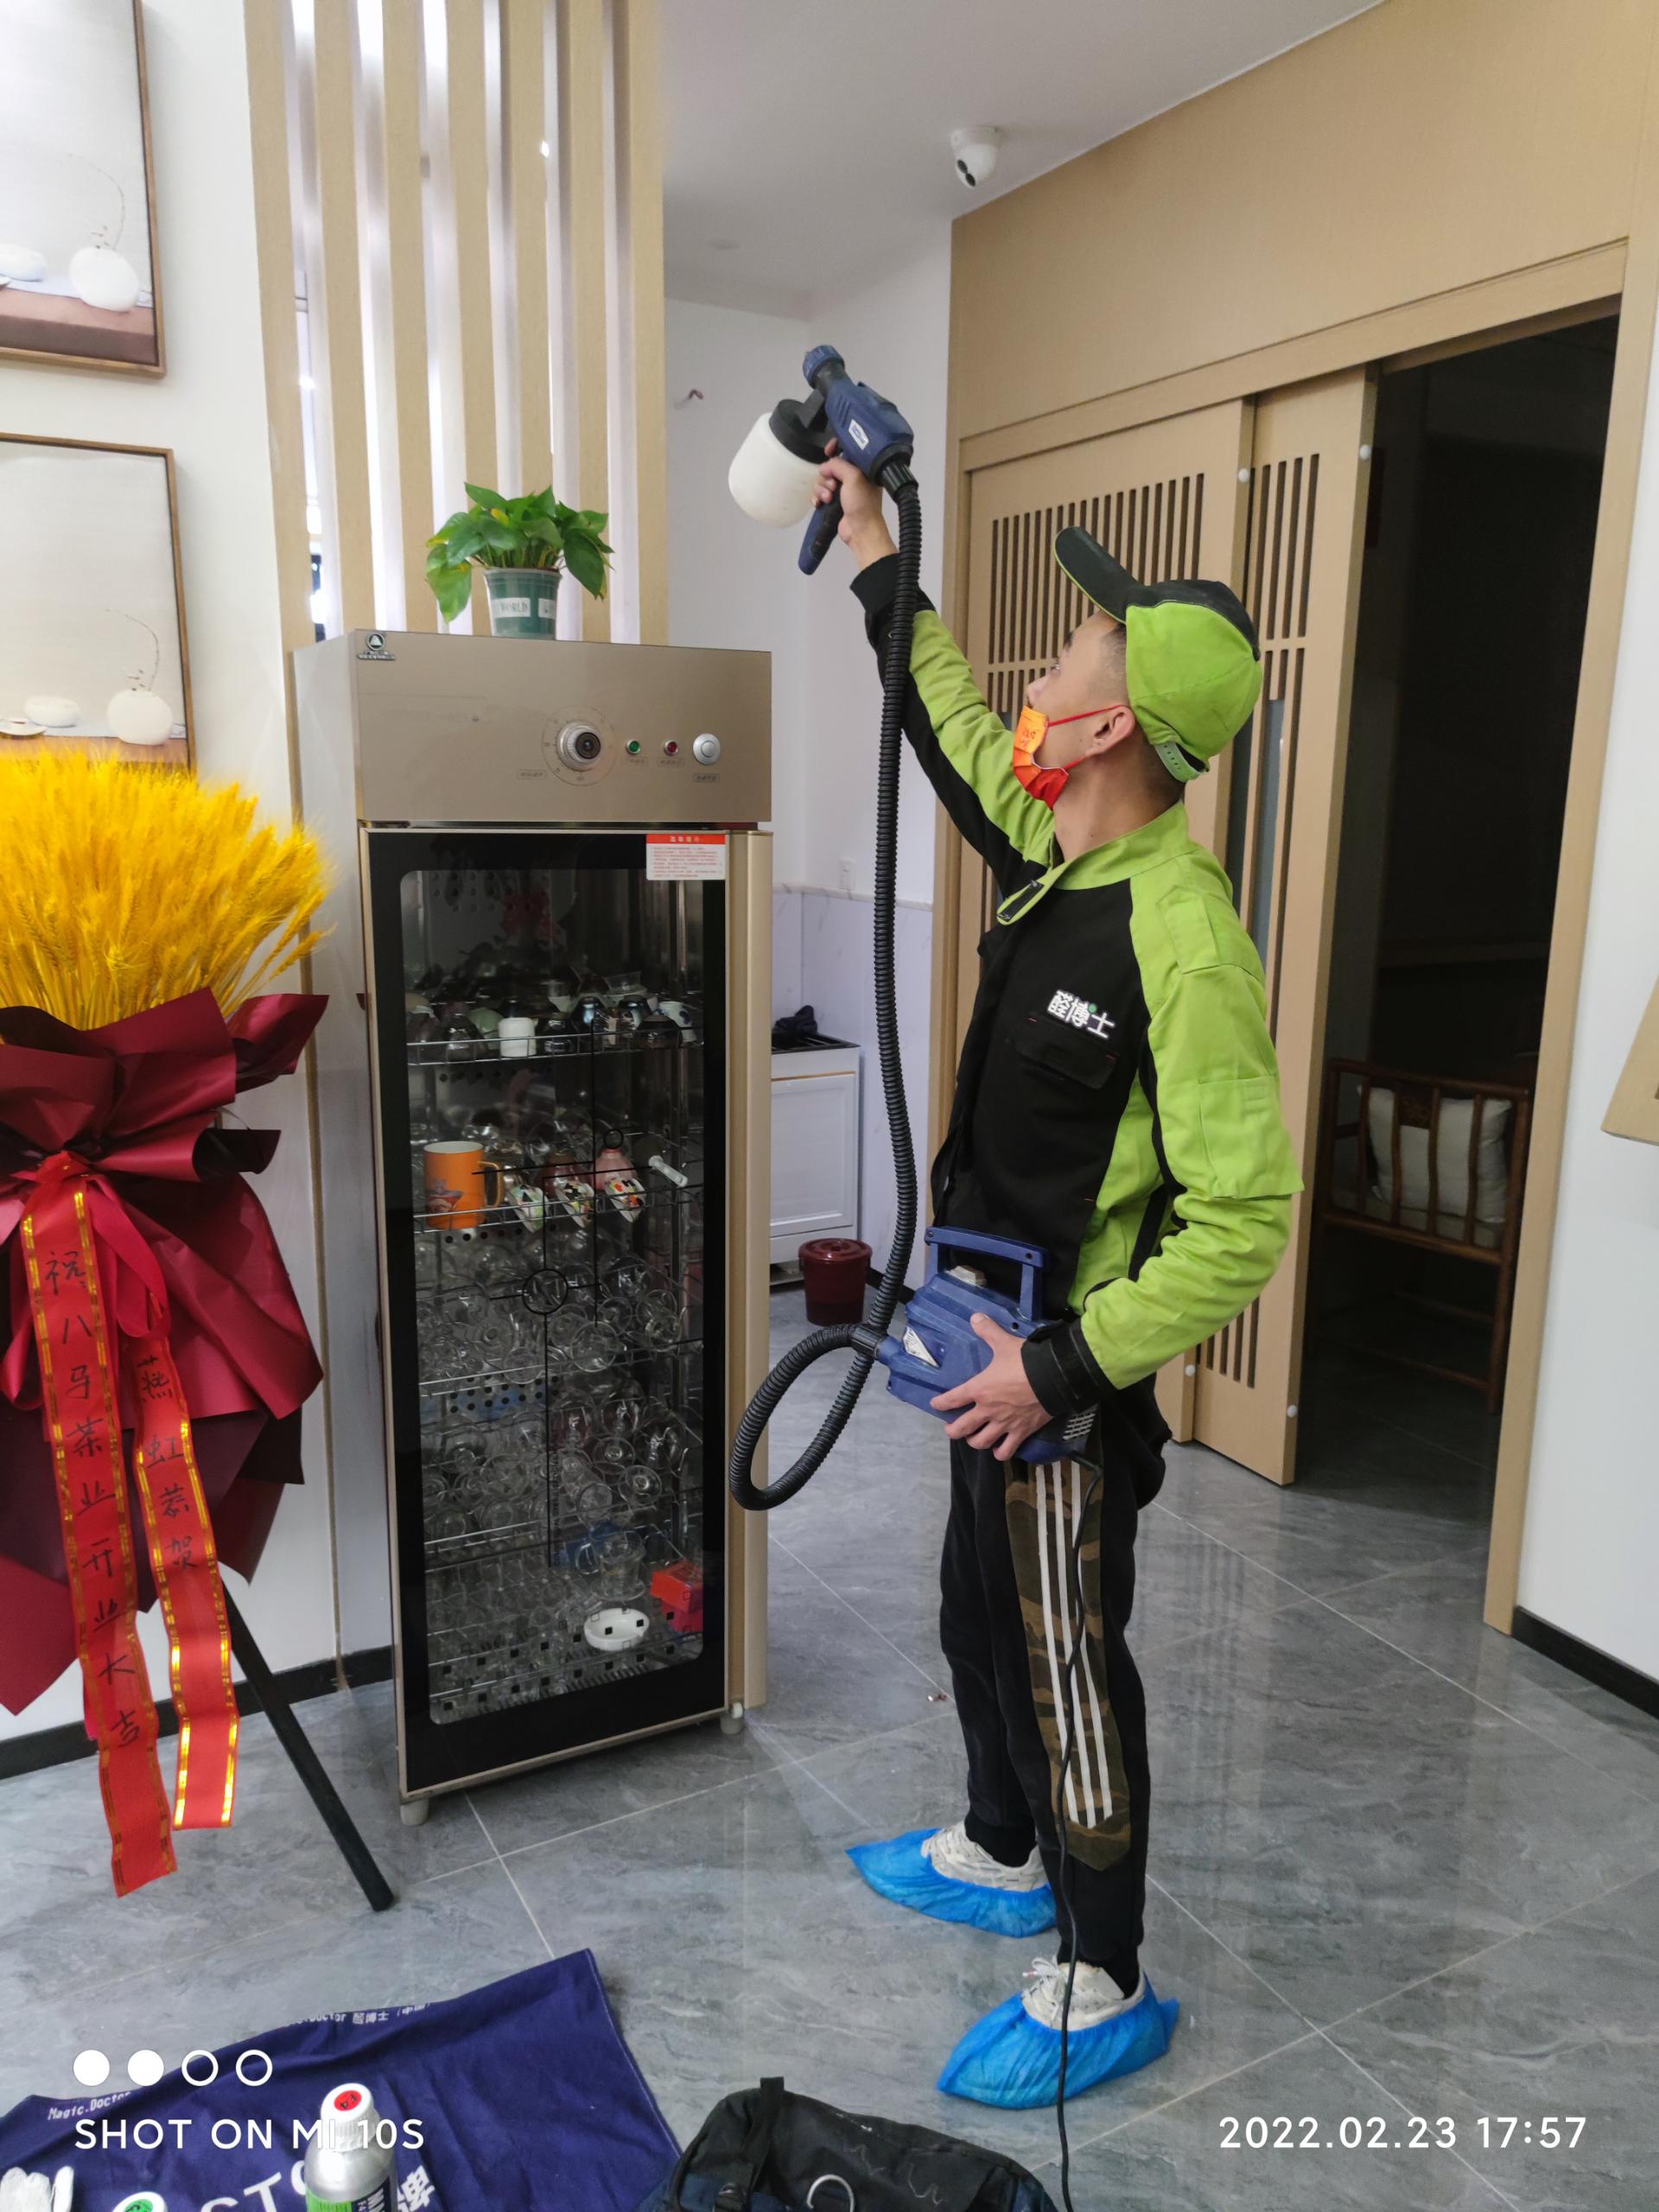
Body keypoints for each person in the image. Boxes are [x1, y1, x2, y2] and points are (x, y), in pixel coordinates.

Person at [817, 451, 1303, 2111]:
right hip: (982, 1352)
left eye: (1075, 657)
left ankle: (1106, 1972)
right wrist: (876, 552)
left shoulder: (1184, 935)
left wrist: (1065, 1372)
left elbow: (1243, 1219)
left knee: (1069, 1668)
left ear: (1110, 728)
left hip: (1063, 1396)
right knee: (975, 1615)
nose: (1041, 674)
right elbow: (955, 722)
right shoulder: (1055, 850)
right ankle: (999, 1844)